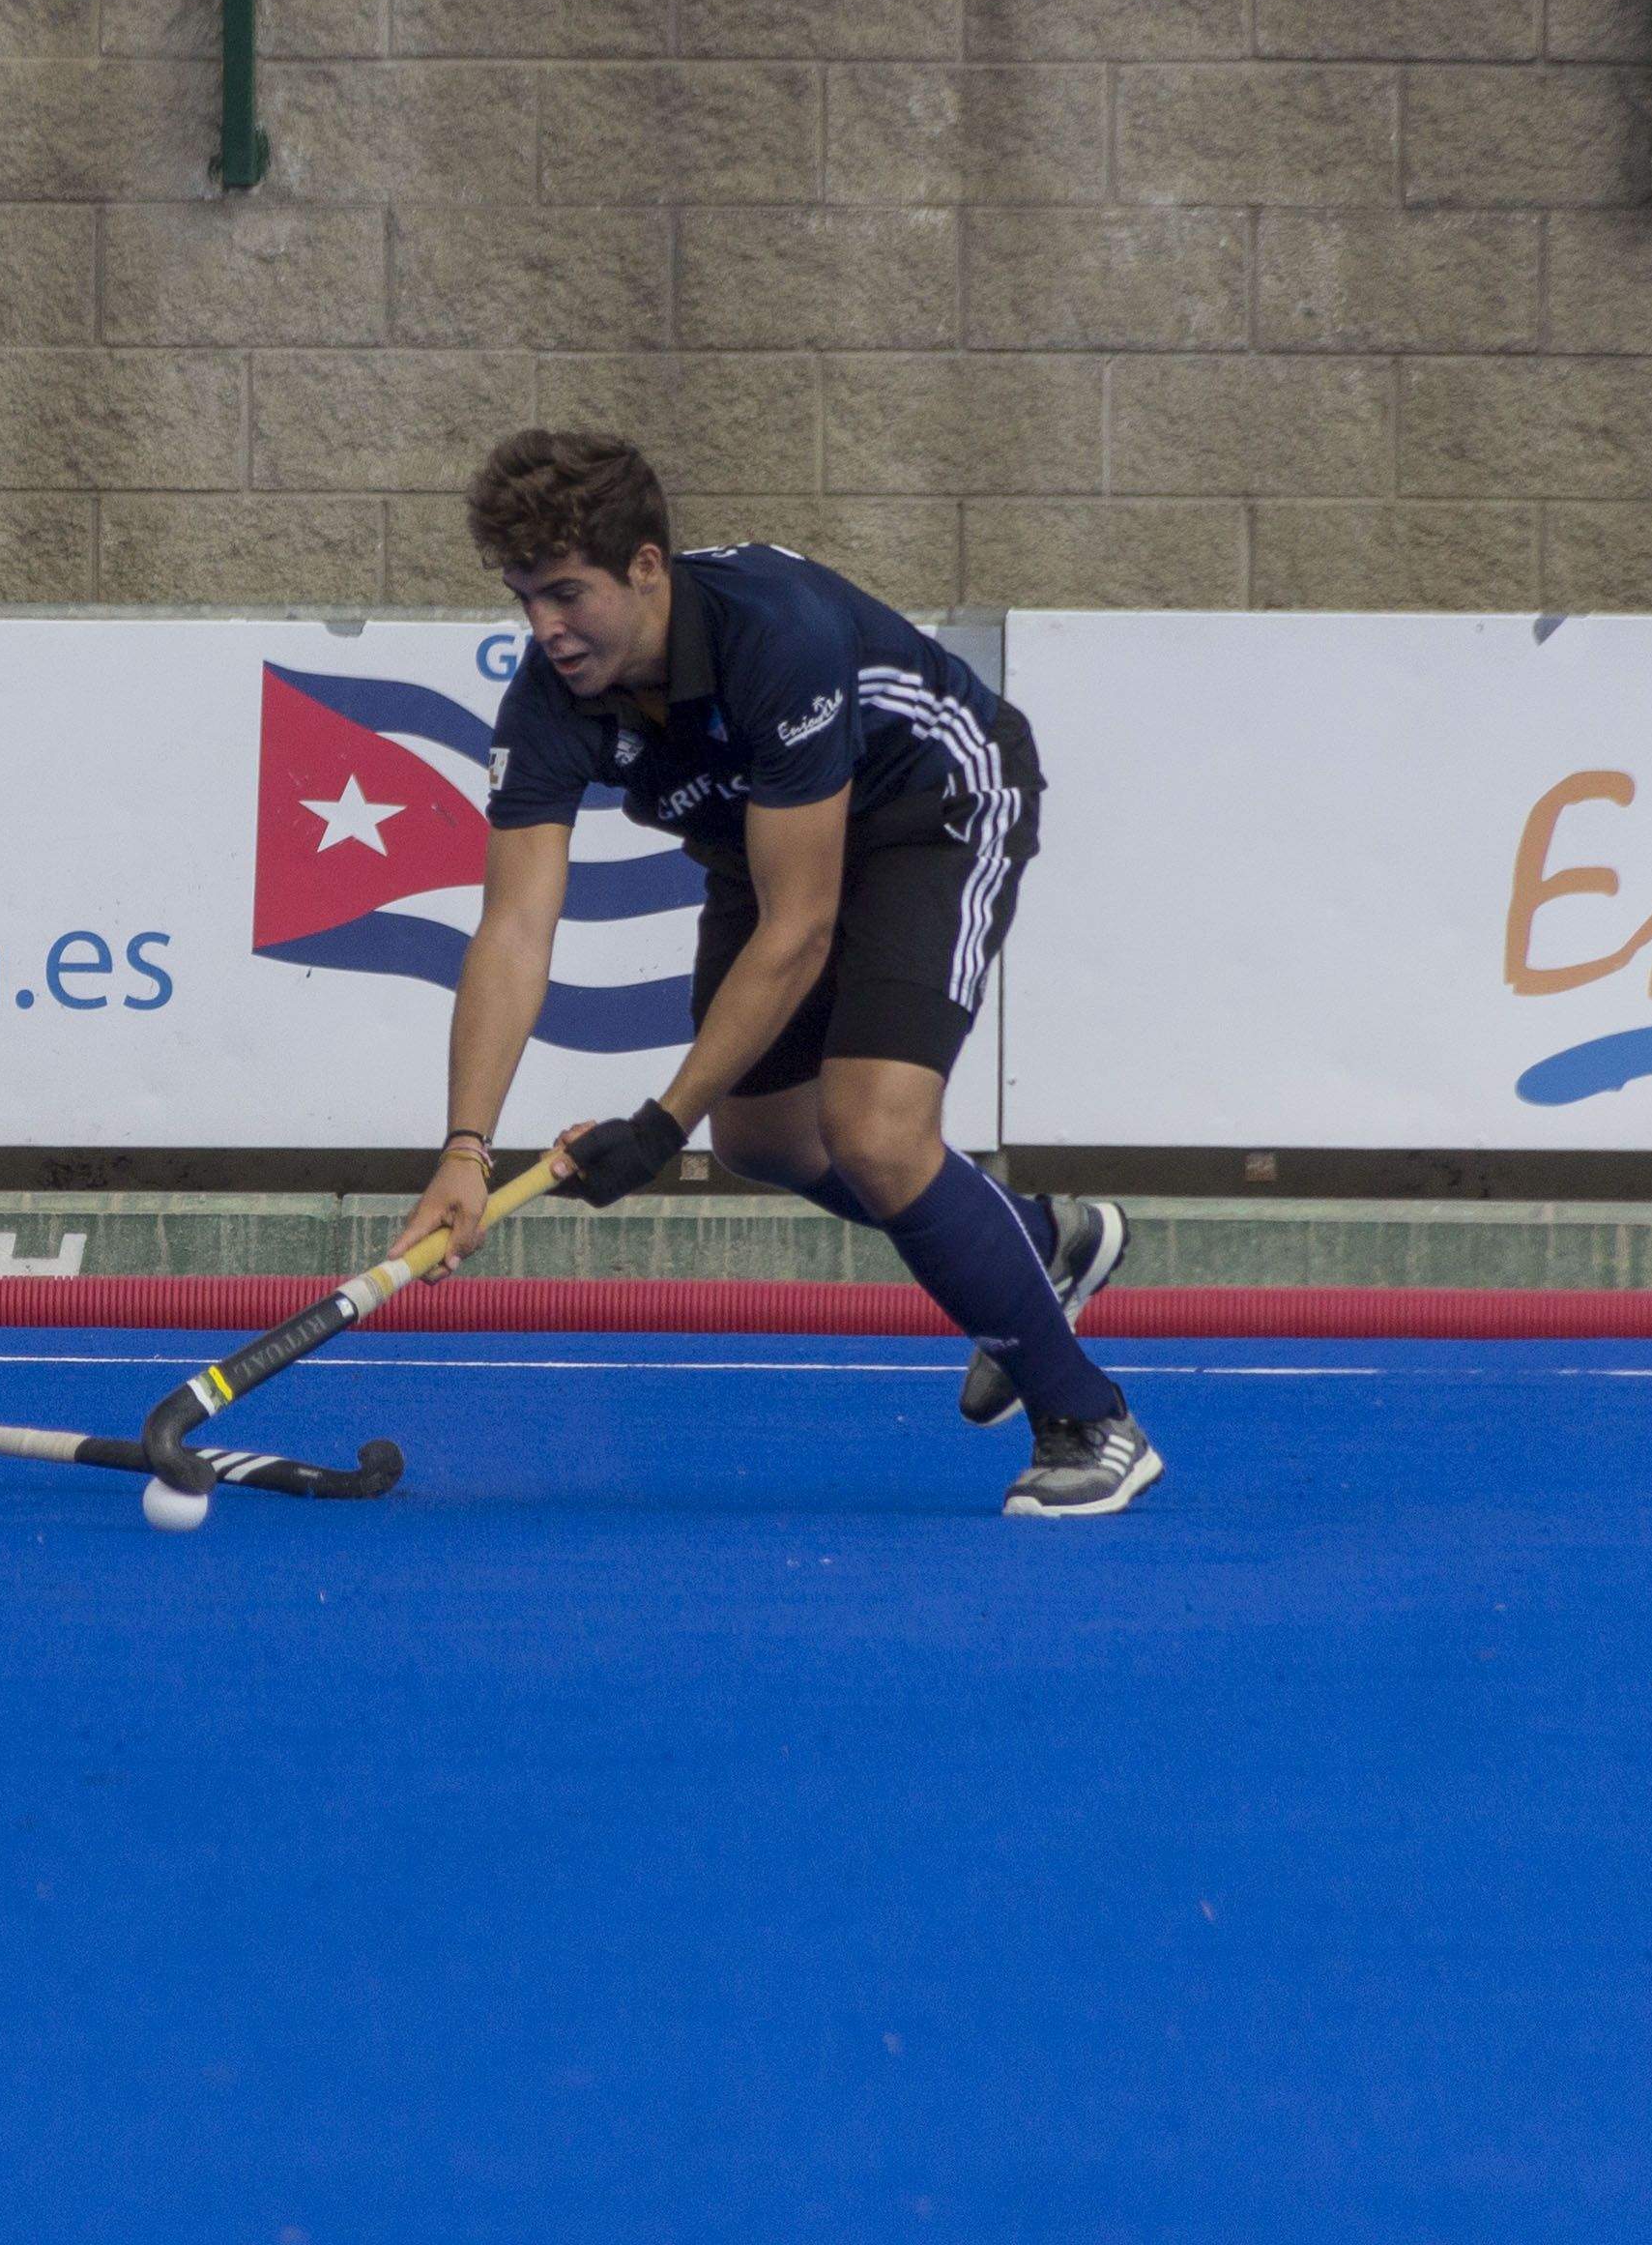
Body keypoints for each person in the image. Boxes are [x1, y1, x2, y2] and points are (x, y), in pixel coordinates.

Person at [388, 431, 1160, 1516]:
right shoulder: (550, 702)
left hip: (932, 806)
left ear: (647, 567)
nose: (545, 630)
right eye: (524, 599)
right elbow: (514, 928)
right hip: (769, 835)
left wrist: (658, 1125)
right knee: (761, 1138)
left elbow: (800, 927)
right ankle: (1034, 1244)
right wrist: (465, 1148)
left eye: (567, 595)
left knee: (877, 1130)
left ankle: (1089, 1420)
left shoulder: (773, 637)